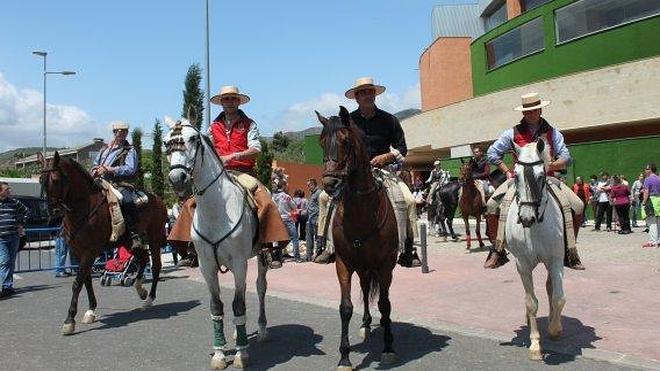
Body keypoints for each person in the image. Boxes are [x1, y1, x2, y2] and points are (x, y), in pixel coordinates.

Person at [168, 85, 290, 269]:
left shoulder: (249, 124)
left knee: (265, 199)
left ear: (239, 101)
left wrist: (234, 156)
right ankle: (191, 249)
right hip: (216, 174)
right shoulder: (213, 127)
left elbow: (256, 149)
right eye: (226, 99)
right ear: (221, 103)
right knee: (190, 203)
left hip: (243, 173)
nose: (229, 102)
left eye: (233, 98)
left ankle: (268, 246)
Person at [314, 77, 420, 267]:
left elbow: (402, 147)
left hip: (383, 171)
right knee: (323, 198)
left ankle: (408, 249)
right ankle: (326, 246)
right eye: (362, 93)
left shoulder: (389, 119)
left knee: (409, 200)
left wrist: (386, 157)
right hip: (353, 174)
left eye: (370, 91)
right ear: (356, 98)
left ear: (375, 94)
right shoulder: (349, 121)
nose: (367, 95)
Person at [484, 92, 585, 270]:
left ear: (540, 110)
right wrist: (506, 171)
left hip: (547, 179)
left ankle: (570, 251)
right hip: (519, 180)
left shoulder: (553, 133)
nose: (531, 114)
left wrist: (551, 165)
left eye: (534, 110)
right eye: (527, 111)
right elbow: (492, 153)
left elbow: (566, 157)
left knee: (578, 205)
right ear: (523, 113)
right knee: (492, 205)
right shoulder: (511, 133)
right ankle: (497, 250)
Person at [91, 121, 142, 250]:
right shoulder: (104, 150)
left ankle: (133, 234)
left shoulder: (130, 150)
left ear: (126, 133)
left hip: (119, 183)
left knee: (127, 200)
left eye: (123, 132)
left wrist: (110, 169)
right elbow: (95, 164)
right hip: (101, 181)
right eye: (117, 132)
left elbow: (130, 169)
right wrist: (94, 170)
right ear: (114, 133)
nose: (120, 134)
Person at [0, 181, 28, 299]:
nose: (9, 191)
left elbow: (26, 211)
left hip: (14, 236)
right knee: (5, 261)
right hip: (1, 237)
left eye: (9, 189)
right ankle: (6, 286)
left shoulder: (14, 202)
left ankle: (8, 286)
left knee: (11, 262)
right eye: (7, 190)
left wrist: (21, 223)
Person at [272, 182, 301, 262]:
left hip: (279, 220)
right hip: (288, 219)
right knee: (295, 238)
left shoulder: (273, 197)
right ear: (283, 186)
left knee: (280, 239)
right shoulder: (286, 196)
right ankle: (297, 257)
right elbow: (294, 207)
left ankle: (279, 257)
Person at [641, 163, 660, 248]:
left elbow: (646, 191)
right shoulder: (659, 178)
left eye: (646, 169)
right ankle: (658, 240)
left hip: (651, 200)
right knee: (658, 221)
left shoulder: (647, 179)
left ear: (650, 169)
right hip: (659, 200)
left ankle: (653, 241)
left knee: (651, 222)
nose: (645, 171)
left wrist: (644, 202)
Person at [305, 179, 322, 262]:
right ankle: (309, 255)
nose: (307, 187)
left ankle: (318, 254)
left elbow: (321, 206)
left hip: (316, 219)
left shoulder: (319, 193)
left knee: (318, 238)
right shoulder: (312, 193)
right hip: (310, 218)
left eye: (308, 185)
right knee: (309, 238)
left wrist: (319, 218)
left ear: (313, 185)